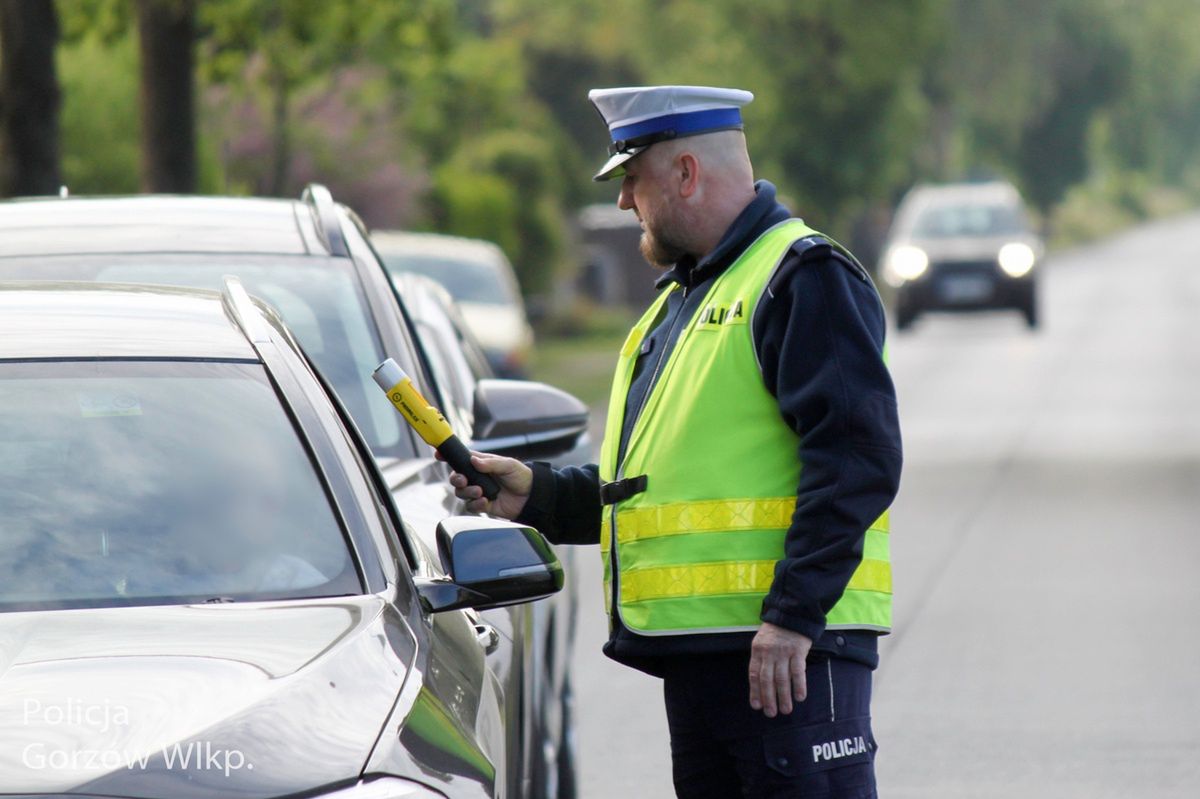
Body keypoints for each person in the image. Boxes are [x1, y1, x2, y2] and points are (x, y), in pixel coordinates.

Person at [449, 85, 902, 798]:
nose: (625, 201)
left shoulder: (801, 277)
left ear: (685, 174)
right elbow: (662, 489)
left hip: (789, 663)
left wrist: (791, 617)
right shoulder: (680, 302)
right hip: (711, 667)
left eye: (632, 178)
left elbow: (857, 462)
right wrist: (539, 493)